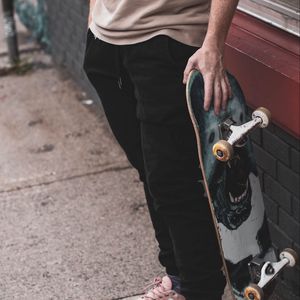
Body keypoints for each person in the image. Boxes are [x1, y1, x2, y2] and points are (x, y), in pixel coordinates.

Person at [83, 1, 239, 299]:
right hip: (105, 42)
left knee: (172, 180)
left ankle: (200, 289)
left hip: (168, 38)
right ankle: (177, 279)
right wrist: (94, 17)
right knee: (150, 171)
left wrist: (214, 44)